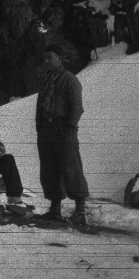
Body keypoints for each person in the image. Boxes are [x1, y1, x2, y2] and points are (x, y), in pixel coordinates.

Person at [35, 44, 91, 226]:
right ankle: (55, 210)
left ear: (60, 58)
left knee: (71, 168)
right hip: (47, 130)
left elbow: (77, 107)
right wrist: (39, 125)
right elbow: (40, 105)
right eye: (44, 58)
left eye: (50, 57)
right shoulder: (46, 80)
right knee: (49, 169)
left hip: (64, 128)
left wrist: (70, 127)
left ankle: (80, 211)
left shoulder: (70, 80)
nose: (46, 61)